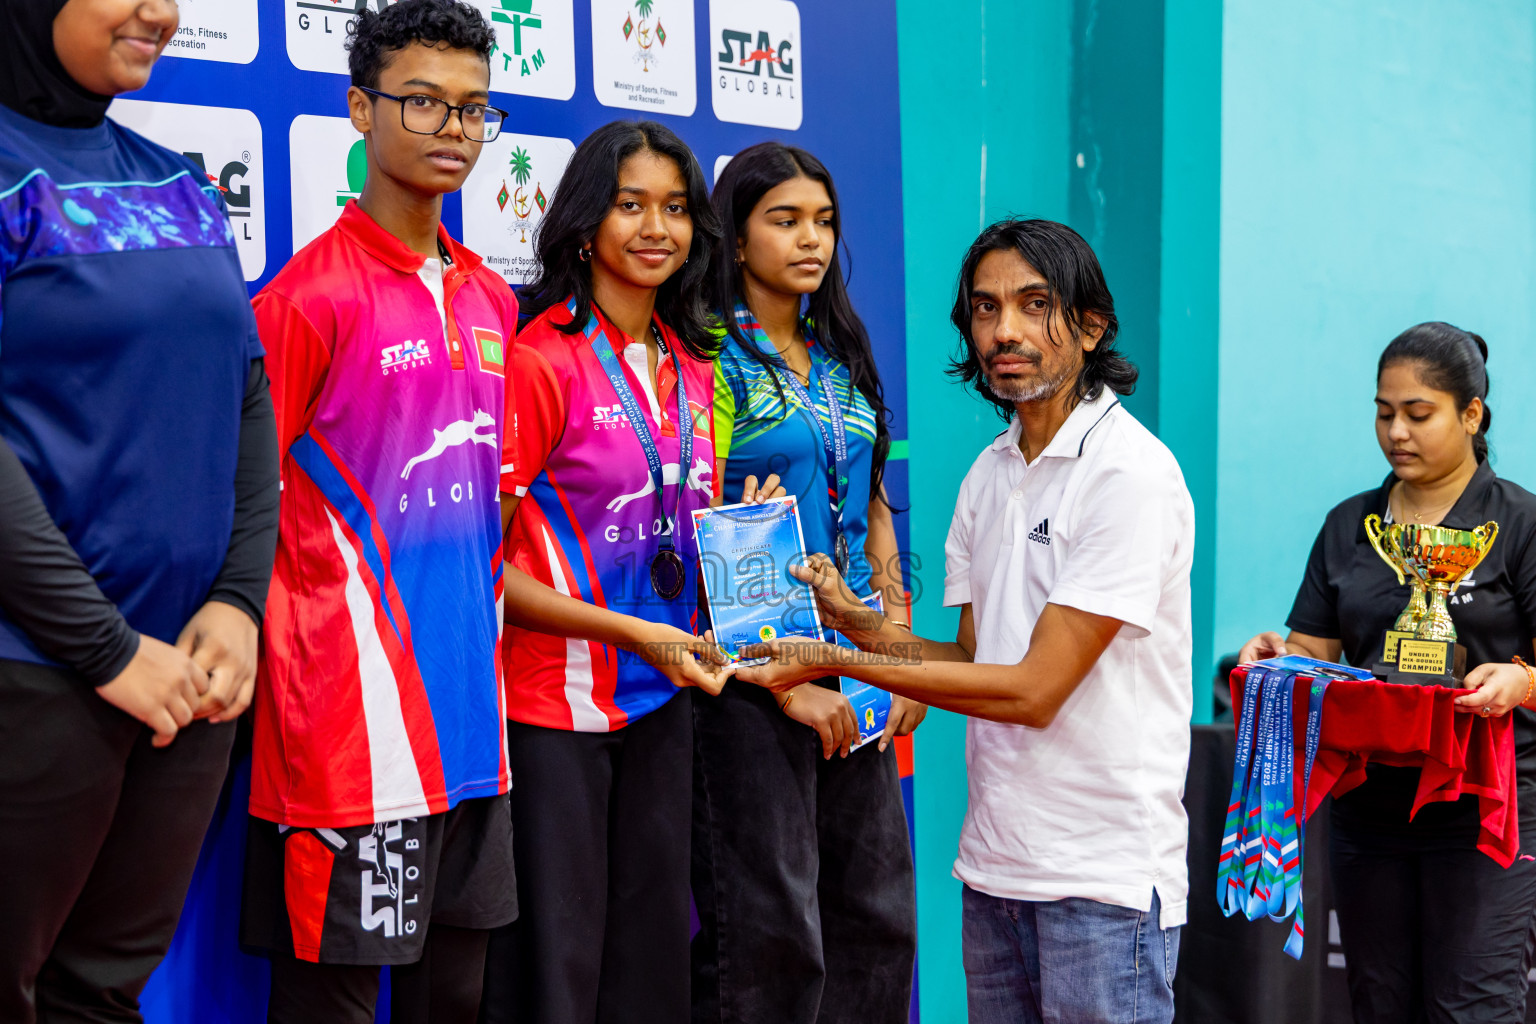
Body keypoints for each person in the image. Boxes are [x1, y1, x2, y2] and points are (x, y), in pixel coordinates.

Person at [736, 218, 1193, 1024]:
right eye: (985, 309)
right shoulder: (991, 472)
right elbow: (978, 658)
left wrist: (822, 657)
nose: (1004, 331)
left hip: (1104, 883)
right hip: (995, 873)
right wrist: (861, 625)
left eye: (1033, 304)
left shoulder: (1131, 476)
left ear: (1090, 326)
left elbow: (1032, 691)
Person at [237, 4, 518, 1022]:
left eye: (473, 108)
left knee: (459, 994)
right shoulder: (306, 298)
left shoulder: (492, 298)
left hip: (472, 723)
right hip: (348, 733)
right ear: (361, 108)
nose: (451, 127)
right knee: (337, 1004)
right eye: (424, 101)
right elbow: (244, 508)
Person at [0, 0, 280, 1020]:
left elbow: (244, 393)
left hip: (187, 685)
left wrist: (241, 601)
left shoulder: (178, 177)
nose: (160, 11)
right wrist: (108, 649)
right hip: (37, 675)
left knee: (103, 991)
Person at [480, 120, 736, 1024]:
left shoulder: (697, 369)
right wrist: (630, 632)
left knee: (649, 958)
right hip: (552, 710)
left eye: (674, 208)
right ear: (587, 223)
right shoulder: (537, 359)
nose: (655, 227)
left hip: (664, 699)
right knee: (558, 962)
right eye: (631, 205)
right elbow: (487, 569)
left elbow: (687, 520)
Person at [1238, 322, 1536, 1023]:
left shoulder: (1519, 523)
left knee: (1474, 1007)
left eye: (1418, 413)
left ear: (1472, 414)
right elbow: (1315, 654)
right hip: (1368, 810)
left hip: (1488, 805)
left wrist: (1520, 682)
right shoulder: (1351, 525)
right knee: (1378, 1003)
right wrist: (1276, 660)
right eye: (1383, 412)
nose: (1396, 431)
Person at [691, 141, 919, 1024]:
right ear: (735, 238)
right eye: (783, 221)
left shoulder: (841, 358)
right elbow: (706, 517)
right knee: (771, 931)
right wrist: (782, 685)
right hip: (752, 679)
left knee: (876, 917)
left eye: (822, 221)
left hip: (854, 666)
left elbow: (874, 508)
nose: (811, 240)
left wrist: (896, 648)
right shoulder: (705, 359)